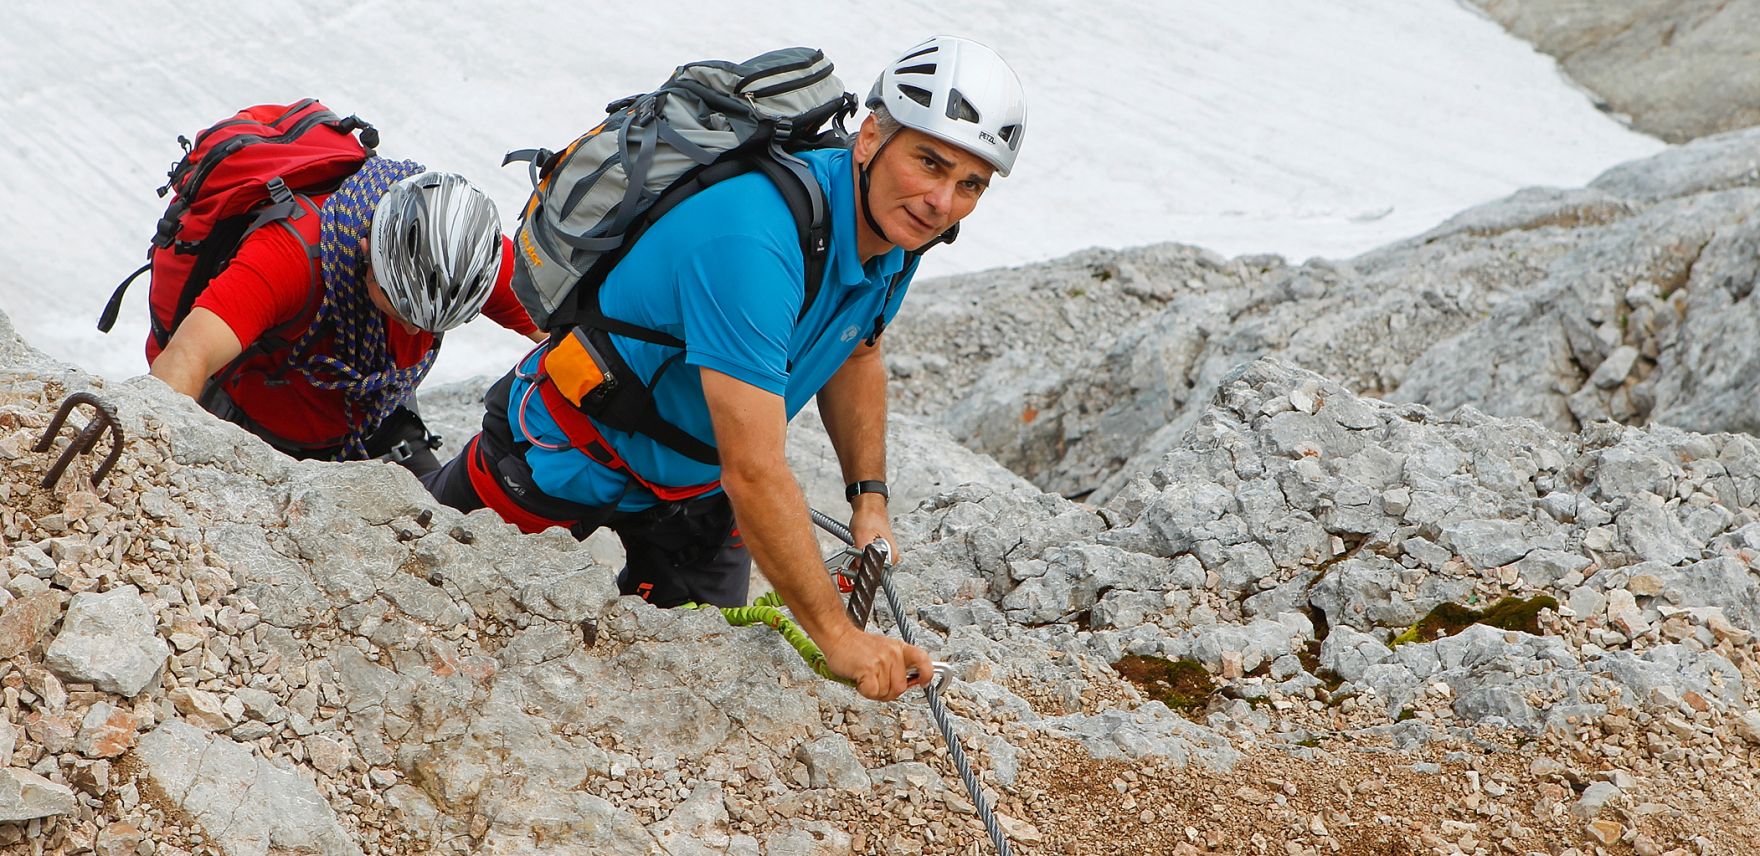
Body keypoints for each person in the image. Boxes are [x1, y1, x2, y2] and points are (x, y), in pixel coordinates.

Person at [423, 36, 1026, 701]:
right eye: (929, 163)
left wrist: (870, 499)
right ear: (871, 135)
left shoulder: (898, 229)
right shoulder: (754, 237)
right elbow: (756, 470)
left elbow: (859, 348)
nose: (942, 202)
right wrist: (839, 636)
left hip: (695, 499)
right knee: (428, 615)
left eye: (969, 184)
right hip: (562, 457)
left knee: (681, 699)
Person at [149, 163, 543, 475]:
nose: (412, 331)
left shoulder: (464, 258)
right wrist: (153, 465)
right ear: (368, 253)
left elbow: (562, 335)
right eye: (400, 307)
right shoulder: (289, 258)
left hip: (373, 416)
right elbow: (187, 355)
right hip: (252, 431)